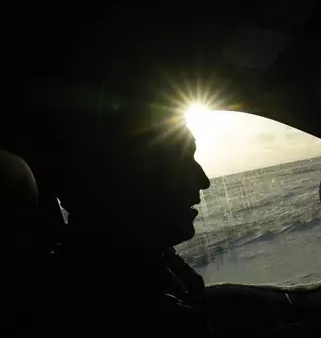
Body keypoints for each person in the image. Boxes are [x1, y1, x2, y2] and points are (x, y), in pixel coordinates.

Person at [28, 100, 214, 337]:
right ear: (117, 181)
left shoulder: (149, 269)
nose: (203, 180)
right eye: (181, 160)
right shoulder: (122, 312)